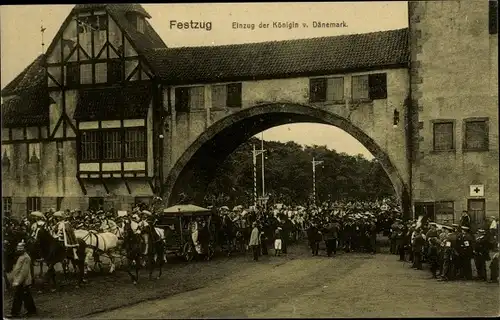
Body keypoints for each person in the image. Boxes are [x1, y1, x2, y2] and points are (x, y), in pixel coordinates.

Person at [8, 241, 37, 318]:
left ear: (24, 249)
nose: (19, 249)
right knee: (26, 295)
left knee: (18, 297)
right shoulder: (21, 256)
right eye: (18, 248)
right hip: (22, 280)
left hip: (23, 280)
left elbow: (24, 272)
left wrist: (17, 282)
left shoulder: (26, 258)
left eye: (21, 248)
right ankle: (32, 310)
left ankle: (15, 312)